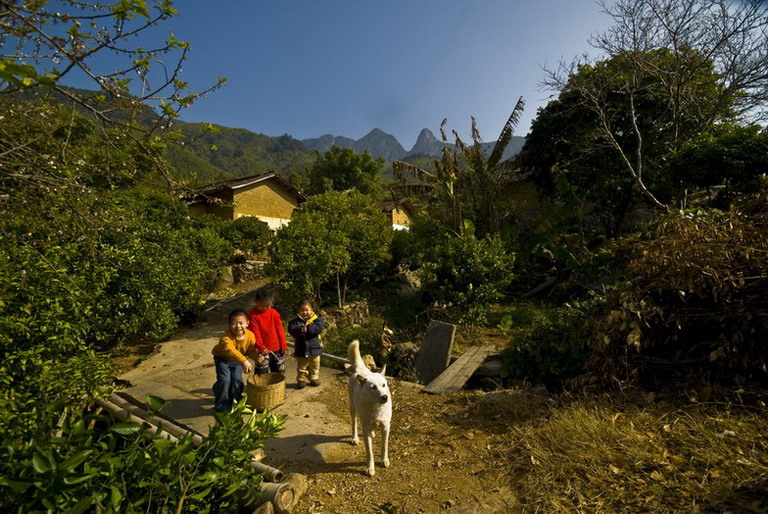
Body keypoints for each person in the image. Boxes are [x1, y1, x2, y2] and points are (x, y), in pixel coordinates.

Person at [211, 309, 261, 412]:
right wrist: (244, 361)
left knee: (236, 379)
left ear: (247, 323)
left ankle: (236, 399)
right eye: (234, 323)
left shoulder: (250, 335)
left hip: (238, 361)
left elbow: (250, 350)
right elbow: (230, 350)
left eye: (241, 323)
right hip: (222, 359)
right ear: (229, 325)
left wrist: (257, 358)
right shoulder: (226, 337)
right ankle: (222, 403)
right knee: (225, 380)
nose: (238, 326)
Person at [247, 287, 288, 375]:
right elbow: (255, 334)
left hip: (277, 349)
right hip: (263, 350)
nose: (264, 308)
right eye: (261, 306)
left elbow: (280, 330)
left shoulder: (274, 313)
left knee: (278, 371)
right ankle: (262, 388)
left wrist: (283, 345)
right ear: (255, 301)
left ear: (272, 303)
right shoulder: (253, 316)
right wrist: (261, 347)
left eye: (267, 306)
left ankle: (277, 388)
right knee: (262, 372)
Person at [287, 299, 325, 388]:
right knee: (302, 366)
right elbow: (291, 330)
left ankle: (314, 378)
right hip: (301, 348)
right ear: (298, 311)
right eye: (302, 310)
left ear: (311, 310)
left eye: (306, 310)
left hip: (315, 348)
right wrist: (300, 329)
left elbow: (319, 328)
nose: (304, 312)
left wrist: (308, 329)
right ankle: (301, 379)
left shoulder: (317, 320)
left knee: (315, 365)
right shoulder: (295, 322)